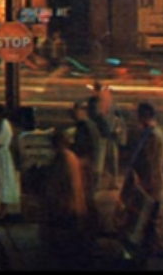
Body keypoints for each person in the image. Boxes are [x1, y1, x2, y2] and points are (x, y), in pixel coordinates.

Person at [126, 102, 163, 260]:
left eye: (139, 114)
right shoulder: (154, 133)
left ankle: (158, 246)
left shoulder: (152, 135)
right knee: (152, 214)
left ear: (144, 115)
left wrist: (145, 182)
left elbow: (150, 162)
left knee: (153, 214)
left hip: (151, 181)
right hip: (152, 180)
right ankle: (153, 245)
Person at [43, 128, 89, 259]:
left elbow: (68, 184)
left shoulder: (64, 158)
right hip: (68, 204)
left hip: (67, 205)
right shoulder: (68, 157)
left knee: (66, 240)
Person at [70, 99, 103, 230]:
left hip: (87, 167)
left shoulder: (84, 126)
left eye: (75, 111)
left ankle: (92, 226)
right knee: (87, 198)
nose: (72, 115)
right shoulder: (90, 125)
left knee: (86, 198)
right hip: (91, 166)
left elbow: (84, 148)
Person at [90, 81, 127, 189]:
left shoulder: (95, 102)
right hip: (108, 134)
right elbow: (118, 116)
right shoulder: (110, 102)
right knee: (110, 159)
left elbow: (96, 116)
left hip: (103, 134)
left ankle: (99, 183)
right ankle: (111, 182)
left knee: (101, 160)